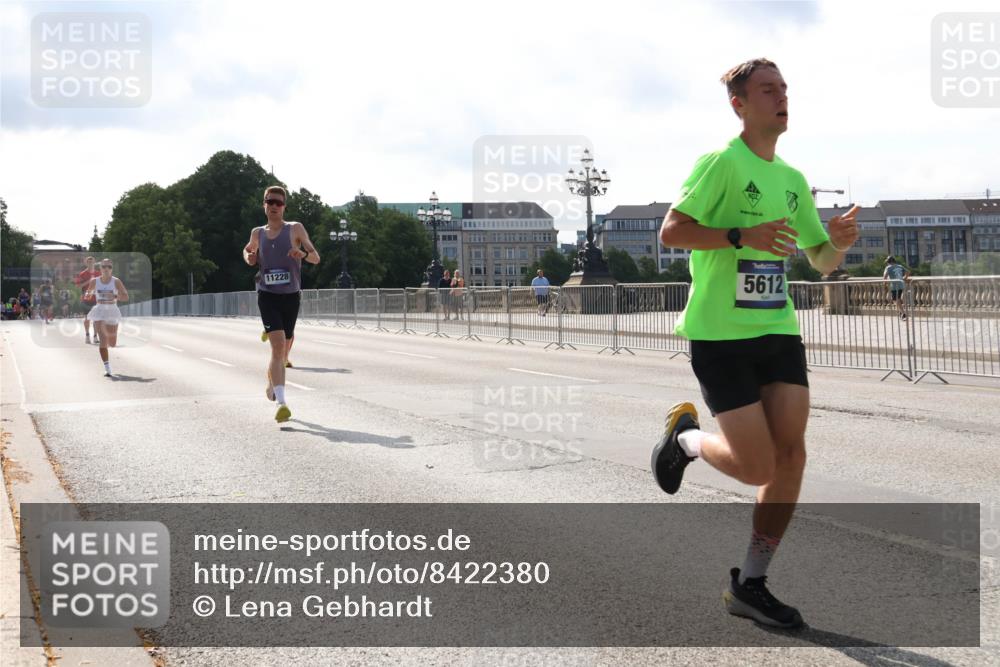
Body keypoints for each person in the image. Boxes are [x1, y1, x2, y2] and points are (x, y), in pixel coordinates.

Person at [651, 58, 859, 629]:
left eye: (785, 88)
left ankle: (751, 583)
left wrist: (835, 241)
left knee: (790, 455)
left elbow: (819, 262)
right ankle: (688, 439)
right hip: (721, 334)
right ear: (740, 104)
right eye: (768, 89)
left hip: (777, 329)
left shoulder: (792, 180)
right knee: (756, 464)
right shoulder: (721, 163)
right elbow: (672, 230)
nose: (781, 96)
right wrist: (742, 235)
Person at [244, 186, 320, 423]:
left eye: (279, 202)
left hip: (290, 296)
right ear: (264, 205)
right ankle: (282, 403)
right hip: (267, 295)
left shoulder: (295, 228)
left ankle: (271, 382)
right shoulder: (258, 232)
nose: (274, 206)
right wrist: (250, 257)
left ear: (284, 206)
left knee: (283, 349)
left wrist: (303, 254)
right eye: (270, 202)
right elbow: (248, 252)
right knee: (277, 348)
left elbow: (316, 257)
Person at [84, 259, 129, 376]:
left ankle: (111, 337)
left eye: (109, 266)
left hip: (112, 310)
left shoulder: (116, 281)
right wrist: (88, 294)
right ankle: (107, 368)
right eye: (104, 266)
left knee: (112, 343)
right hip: (99, 310)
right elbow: (87, 296)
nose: (106, 269)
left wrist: (114, 295)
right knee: (103, 339)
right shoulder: (94, 281)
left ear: (111, 268)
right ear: (100, 269)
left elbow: (125, 297)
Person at [75, 256, 101, 343]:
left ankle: (95, 336)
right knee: (87, 318)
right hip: (86, 298)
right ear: (86, 263)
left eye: (92, 261)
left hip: (97, 298)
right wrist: (89, 281)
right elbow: (78, 286)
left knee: (96, 319)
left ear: (94, 262)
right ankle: (87, 335)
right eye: (88, 262)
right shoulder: (82, 274)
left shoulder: (99, 273)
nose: (90, 263)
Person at [883, 255, 910, 320]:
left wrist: (884, 285)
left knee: (896, 300)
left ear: (889, 262)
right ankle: (901, 312)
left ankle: (903, 313)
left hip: (894, 285)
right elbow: (908, 272)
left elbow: (885, 277)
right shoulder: (899, 266)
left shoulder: (888, 267)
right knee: (897, 299)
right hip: (901, 284)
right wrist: (904, 278)